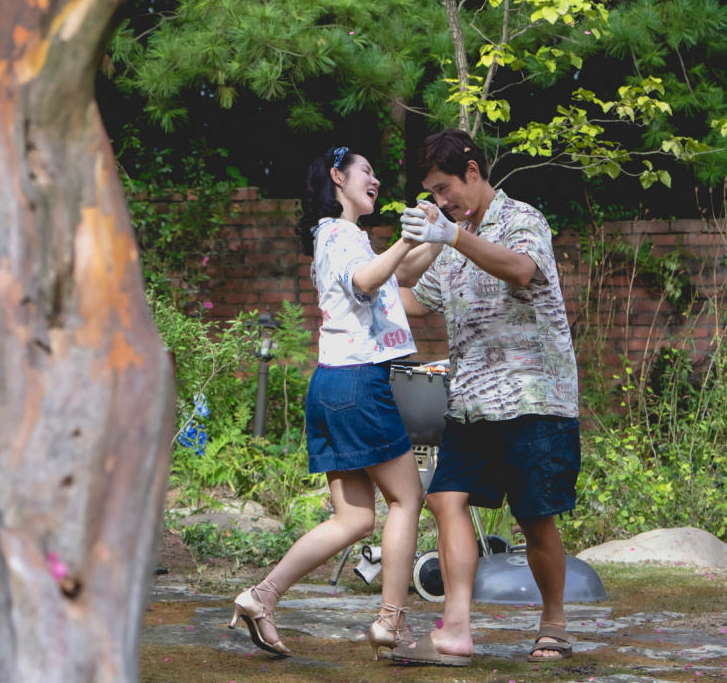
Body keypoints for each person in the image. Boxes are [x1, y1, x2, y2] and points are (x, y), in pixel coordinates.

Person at [391, 129, 582, 666]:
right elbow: (412, 298)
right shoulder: (451, 239)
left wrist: (451, 235)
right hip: (471, 401)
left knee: (534, 517)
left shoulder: (523, 219)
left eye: (444, 188)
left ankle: (554, 623)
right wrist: (357, 280)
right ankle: (455, 628)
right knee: (444, 498)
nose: (439, 200)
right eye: (432, 192)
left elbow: (520, 269)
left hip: (532, 397)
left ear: (472, 172)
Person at [229, 146, 425, 660]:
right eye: (366, 171)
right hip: (359, 383)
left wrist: (439, 237)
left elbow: (400, 279)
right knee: (407, 499)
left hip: (332, 385)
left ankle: (261, 596)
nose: (375, 179)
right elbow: (367, 281)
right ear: (338, 177)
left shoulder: (340, 237)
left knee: (354, 520)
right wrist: (409, 238)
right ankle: (391, 621)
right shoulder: (341, 234)